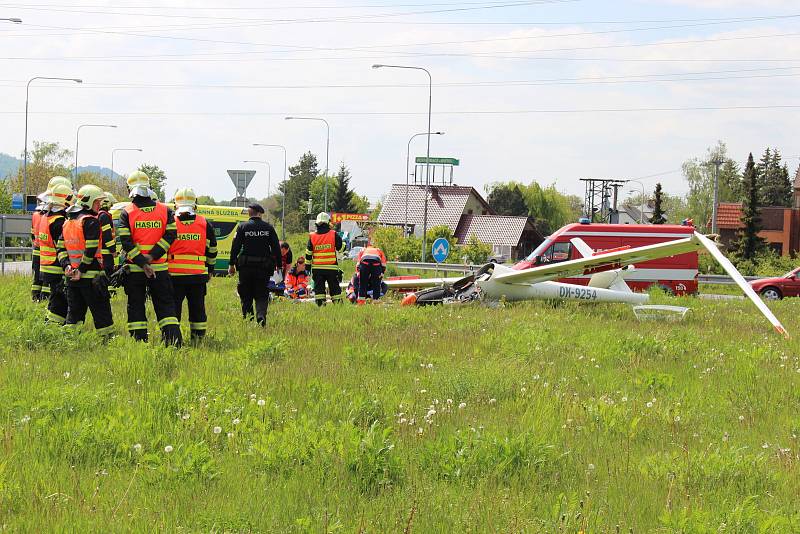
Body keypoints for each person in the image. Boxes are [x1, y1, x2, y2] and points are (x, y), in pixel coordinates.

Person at [117, 171, 182, 346]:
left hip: (135, 270)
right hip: (159, 269)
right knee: (166, 307)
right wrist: (152, 257)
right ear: (149, 188)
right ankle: (174, 342)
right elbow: (170, 236)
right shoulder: (164, 210)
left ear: (130, 189)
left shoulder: (126, 212)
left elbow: (126, 242)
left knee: (136, 306)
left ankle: (139, 343)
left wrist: (142, 262)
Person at [58, 185, 115, 338]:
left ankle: (70, 341)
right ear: (88, 202)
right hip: (91, 278)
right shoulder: (91, 221)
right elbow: (90, 250)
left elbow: (60, 249)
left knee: (74, 314)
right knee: (102, 313)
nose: (99, 205)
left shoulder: (68, 222)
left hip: (72, 278)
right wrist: (81, 270)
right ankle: (108, 342)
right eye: (97, 202)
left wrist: (67, 266)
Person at [168, 188, 217, 341]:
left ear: (175, 204)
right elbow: (212, 250)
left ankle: (173, 339)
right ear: (195, 204)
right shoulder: (204, 223)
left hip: (173, 276)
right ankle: (198, 339)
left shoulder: (170, 222)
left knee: (173, 310)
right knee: (197, 309)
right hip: (197, 277)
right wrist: (210, 269)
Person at [228, 203, 282, 326]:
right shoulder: (268, 228)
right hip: (263, 268)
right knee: (262, 294)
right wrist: (279, 265)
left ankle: (248, 319)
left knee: (245, 294)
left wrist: (231, 264)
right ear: (259, 213)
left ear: (249, 213)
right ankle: (261, 315)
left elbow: (235, 247)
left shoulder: (242, 227)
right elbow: (276, 248)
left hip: (246, 268)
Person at [38, 183, 73, 324]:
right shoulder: (59, 222)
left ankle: (50, 322)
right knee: (60, 301)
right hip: (57, 266)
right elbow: (63, 246)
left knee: (55, 297)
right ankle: (53, 326)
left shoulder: (46, 217)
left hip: (46, 266)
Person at [305, 212, 345, 306]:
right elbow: (341, 249)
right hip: (331, 268)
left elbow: (308, 254)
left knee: (319, 291)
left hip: (317, 269)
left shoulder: (312, 236)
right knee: (335, 290)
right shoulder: (333, 234)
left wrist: (307, 268)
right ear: (328, 222)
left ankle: (321, 308)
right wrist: (344, 244)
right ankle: (338, 307)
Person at [30, 193, 49, 302]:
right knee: (46, 277)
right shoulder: (48, 216)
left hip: (37, 249)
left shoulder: (35, 214)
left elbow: (32, 233)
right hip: (48, 252)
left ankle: (35, 297)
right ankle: (45, 299)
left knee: (37, 277)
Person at [97, 191, 118, 276]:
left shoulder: (99, 215)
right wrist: (113, 250)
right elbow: (107, 235)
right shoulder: (104, 216)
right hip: (106, 253)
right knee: (108, 274)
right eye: (111, 204)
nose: (111, 206)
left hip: (101, 252)